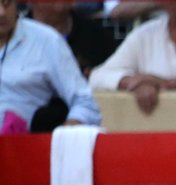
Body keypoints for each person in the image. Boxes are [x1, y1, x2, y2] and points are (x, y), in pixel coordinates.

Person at [0, 0, 101, 133]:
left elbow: (86, 103)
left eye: (7, 4)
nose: (2, 13)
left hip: (27, 146)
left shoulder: (47, 40)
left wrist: (62, 137)